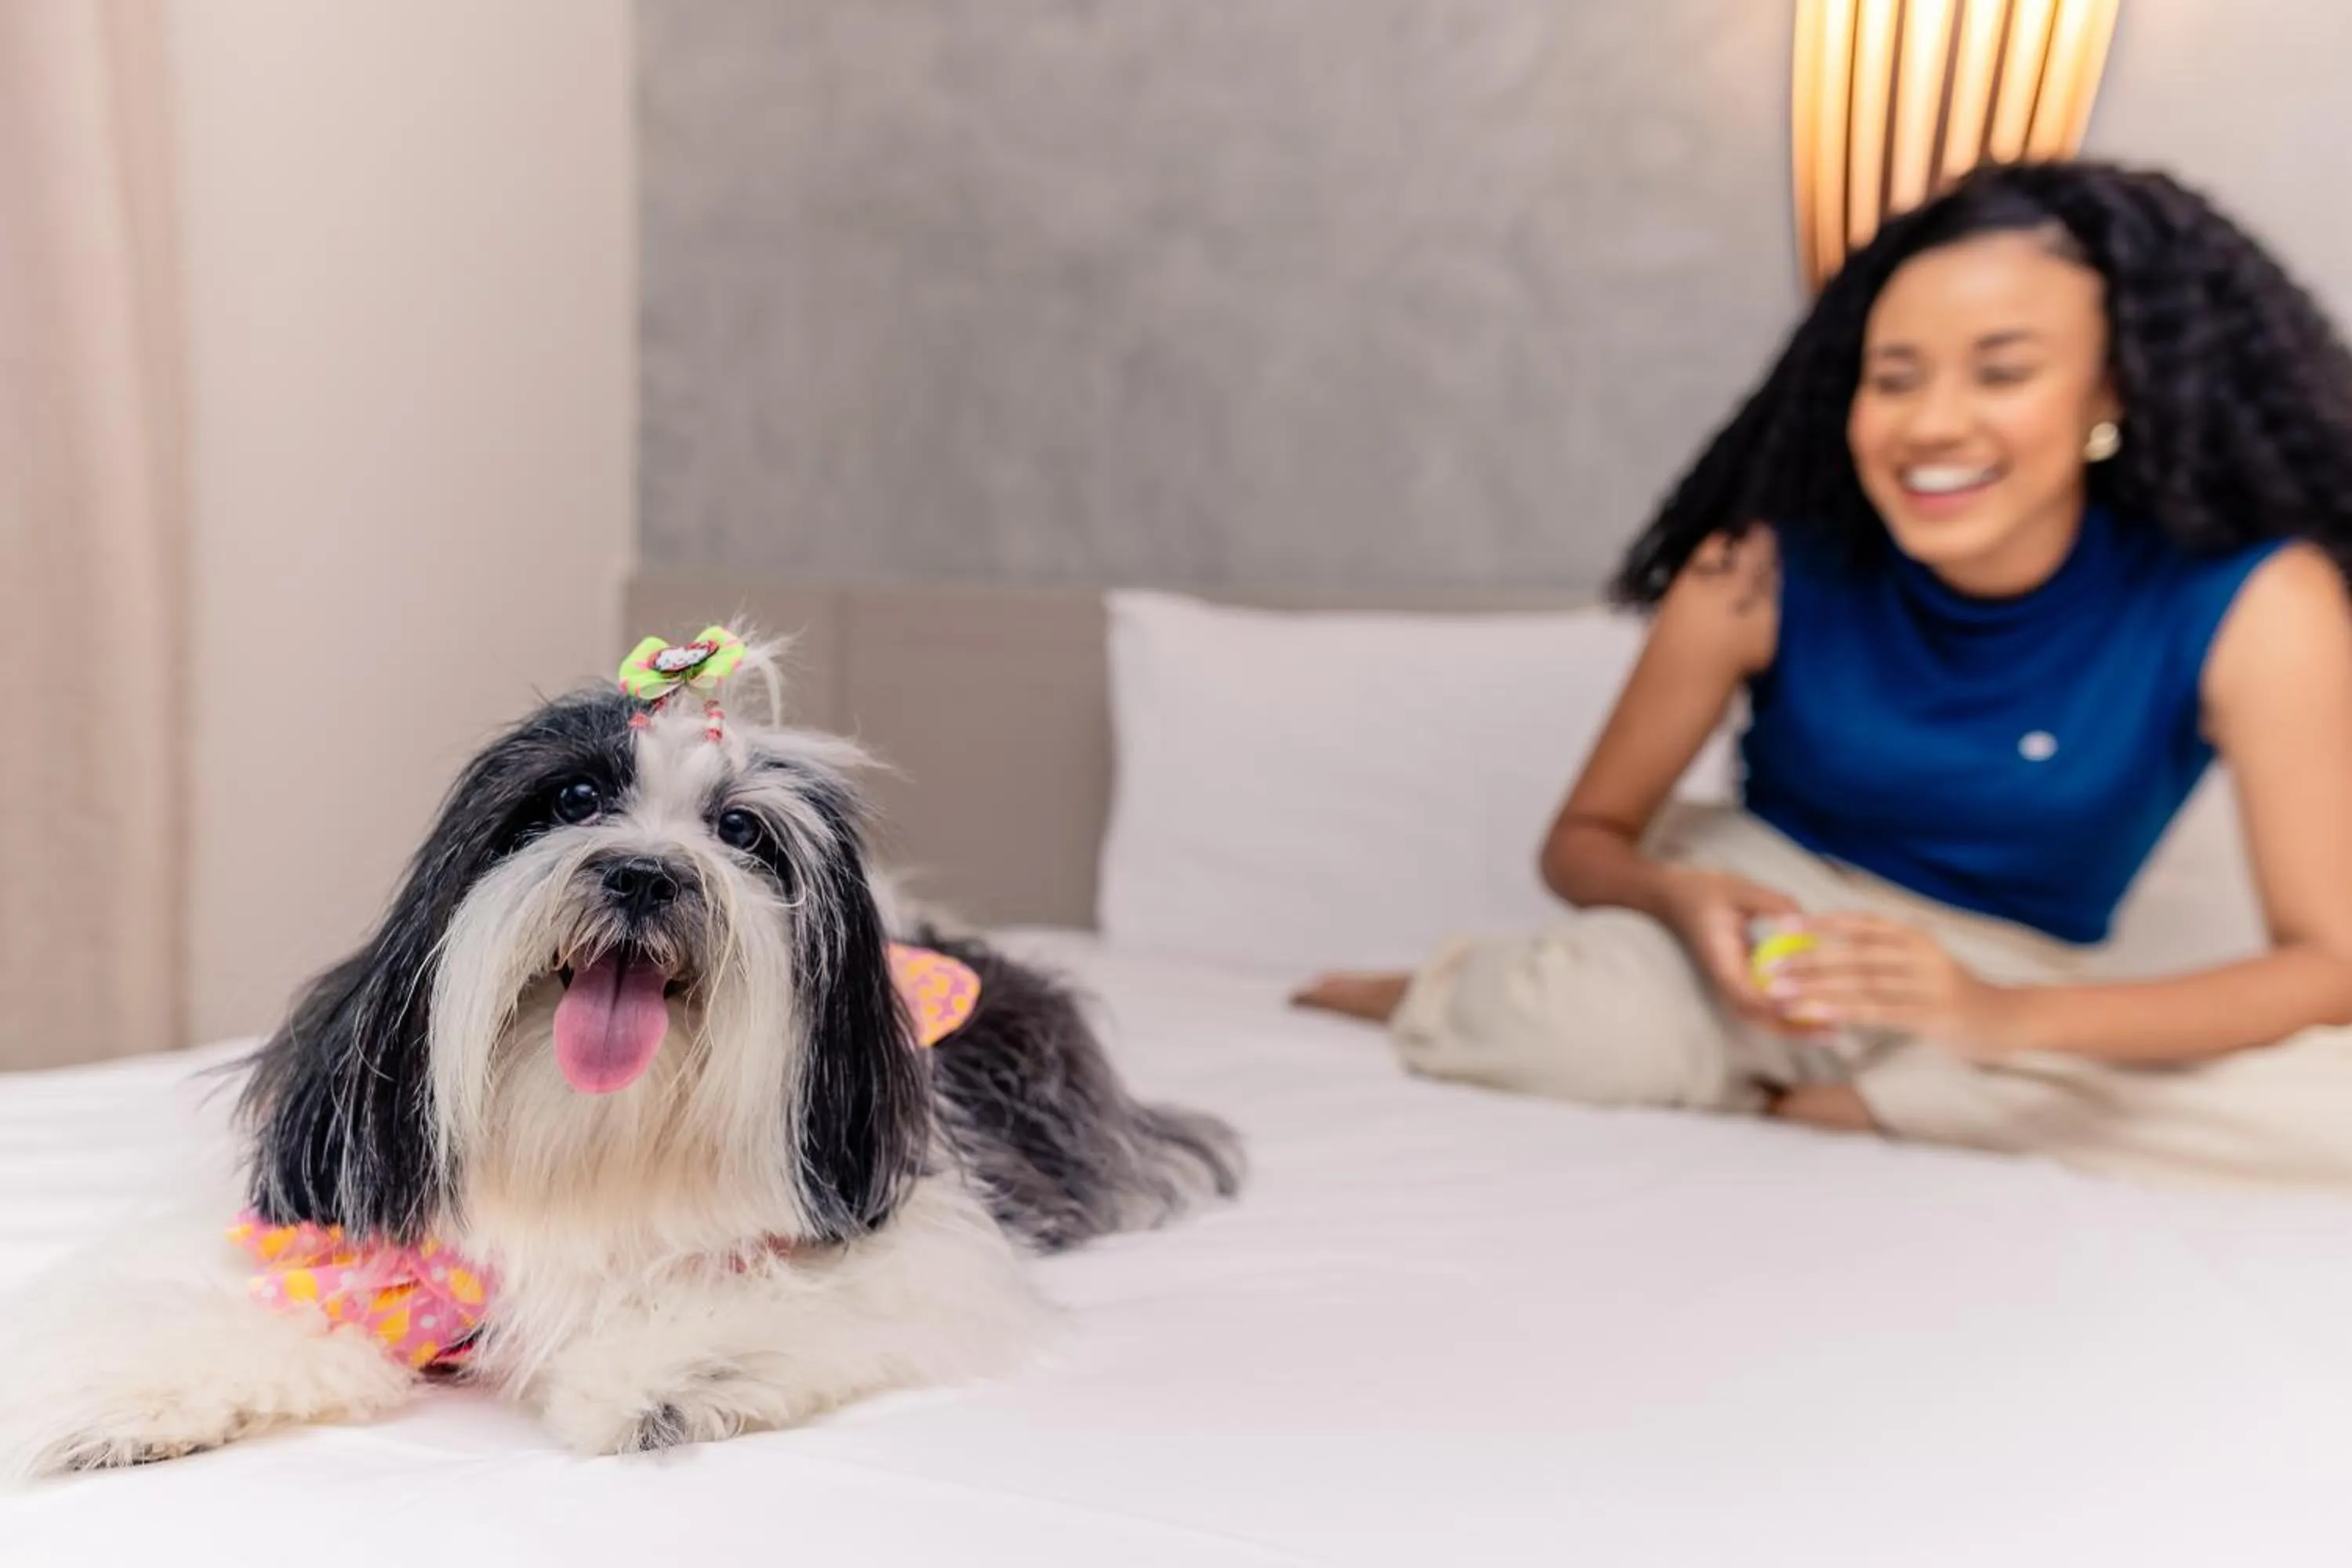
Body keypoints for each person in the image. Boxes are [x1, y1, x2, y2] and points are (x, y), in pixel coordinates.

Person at [1294, 160, 2352, 1190]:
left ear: (2115, 387)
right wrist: (1679, 899)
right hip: (1779, 937)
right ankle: (1463, 994)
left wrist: (1993, 1018)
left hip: (2008, 984)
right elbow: (1583, 841)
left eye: (2002, 373)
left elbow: (2331, 963)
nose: (1932, 424)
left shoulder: (2257, 603)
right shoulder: (1754, 572)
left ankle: (1878, 1097)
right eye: (1893, 378)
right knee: (1590, 1032)